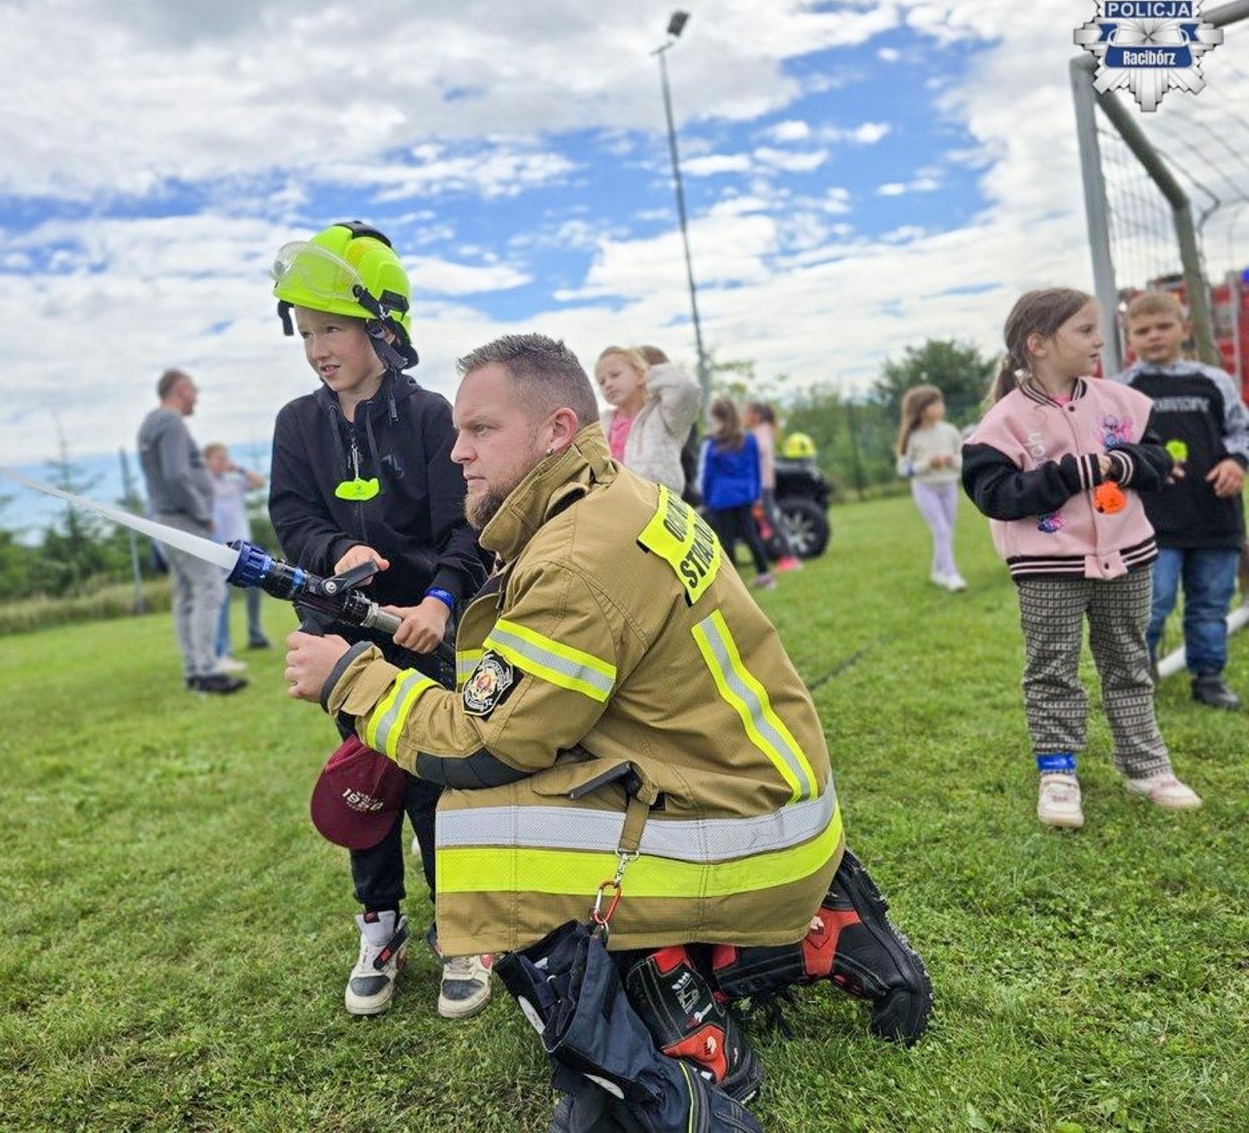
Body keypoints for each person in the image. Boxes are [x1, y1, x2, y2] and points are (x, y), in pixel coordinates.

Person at [285, 334, 931, 1123]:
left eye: (481, 429)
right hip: (771, 806)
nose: (457, 452)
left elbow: (487, 742)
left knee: (486, 823)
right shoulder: (613, 497)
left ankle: (675, 1033)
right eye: (458, 431)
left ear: (556, 431)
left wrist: (350, 676)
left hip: (746, 828)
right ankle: (806, 929)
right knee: (552, 782)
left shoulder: (575, 557)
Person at [267, 220, 490, 1021]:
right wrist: (337, 552)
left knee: (433, 779)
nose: (317, 348)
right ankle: (380, 924)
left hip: (422, 632)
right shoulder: (298, 425)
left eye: (331, 328)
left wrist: (438, 602)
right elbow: (292, 519)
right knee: (368, 779)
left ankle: (462, 932)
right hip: (342, 635)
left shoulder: (431, 416)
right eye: (306, 332)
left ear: (383, 327)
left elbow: (465, 527)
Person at [961, 288, 1202, 830]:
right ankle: (1057, 772)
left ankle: (1146, 767)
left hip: (1128, 558)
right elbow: (994, 495)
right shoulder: (1002, 423)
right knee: (1052, 671)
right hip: (1048, 569)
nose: (1100, 341)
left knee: (1128, 663)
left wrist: (1120, 463)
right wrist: (1068, 474)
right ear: (1038, 343)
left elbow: (1157, 458)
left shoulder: (1122, 402)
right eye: (1086, 330)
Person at [1117, 291, 1246, 711]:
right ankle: (1139, 677)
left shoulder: (1214, 381)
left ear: (1184, 329)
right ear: (1128, 339)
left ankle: (1208, 676)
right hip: (1151, 522)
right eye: (1142, 330)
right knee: (1151, 603)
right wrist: (1142, 465)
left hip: (1215, 515)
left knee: (1211, 602)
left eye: (1163, 326)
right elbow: (1111, 445)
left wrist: (1236, 462)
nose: (1154, 336)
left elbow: (1240, 431)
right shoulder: (1122, 389)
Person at [137, 370, 244, 695]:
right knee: (210, 588)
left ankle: (193, 671)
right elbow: (176, 475)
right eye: (194, 391)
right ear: (181, 389)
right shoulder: (171, 422)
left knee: (186, 595)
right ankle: (207, 670)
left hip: (164, 518)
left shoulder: (150, 423)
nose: (196, 398)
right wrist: (201, 512)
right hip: (182, 519)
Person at [595, 345, 701, 492]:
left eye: (615, 375)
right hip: (616, 502)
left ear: (640, 375)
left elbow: (685, 389)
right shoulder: (601, 422)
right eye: (601, 382)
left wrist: (648, 375)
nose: (608, 384)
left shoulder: (662, 415)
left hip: (658, 501)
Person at [895, 385, 967, 592]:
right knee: (941, 529)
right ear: (921, 409)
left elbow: (964, 460)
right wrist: (927, 464)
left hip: (949, 486)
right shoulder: (912, 437)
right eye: (934, 404)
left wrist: (951, 461)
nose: (940, 407)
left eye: (940, 403)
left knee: (946, 532)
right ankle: (951, 575)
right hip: (925, 489)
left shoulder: (950, 431)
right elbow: (904, 469)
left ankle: (937, 571)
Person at [203, 443, 269, 668]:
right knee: (220, 599)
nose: (223, 462)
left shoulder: (233, 483)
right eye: (218, 458)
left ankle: (255, 634)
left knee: (254, 589)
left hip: (243, 549)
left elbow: (259, 482)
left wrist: (238, 468)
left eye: (225, 458)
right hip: (218, 548)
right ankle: (221, 651)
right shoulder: (204, 486)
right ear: (207, 461)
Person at [701, 398, 775, 589]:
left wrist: (706, 498)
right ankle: (765, 575)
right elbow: (756, 468)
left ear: (716, 417)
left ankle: (732, 586)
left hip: (721, 496)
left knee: (726, 540)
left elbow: (708, 474)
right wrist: (755, 493)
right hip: (744, 494)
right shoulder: (749, 439)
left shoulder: (713, 442)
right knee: (751, 535)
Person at [743, 401, 804, 572]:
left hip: (763, 485)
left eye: (747, 413)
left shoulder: (759, 434)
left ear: (756, 416)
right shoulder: (763, 431)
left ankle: (790, 557)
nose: (744, 417)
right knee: (771, 518)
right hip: (765, 483)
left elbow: (758, 458)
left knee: (773, 520)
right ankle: (768, 531)